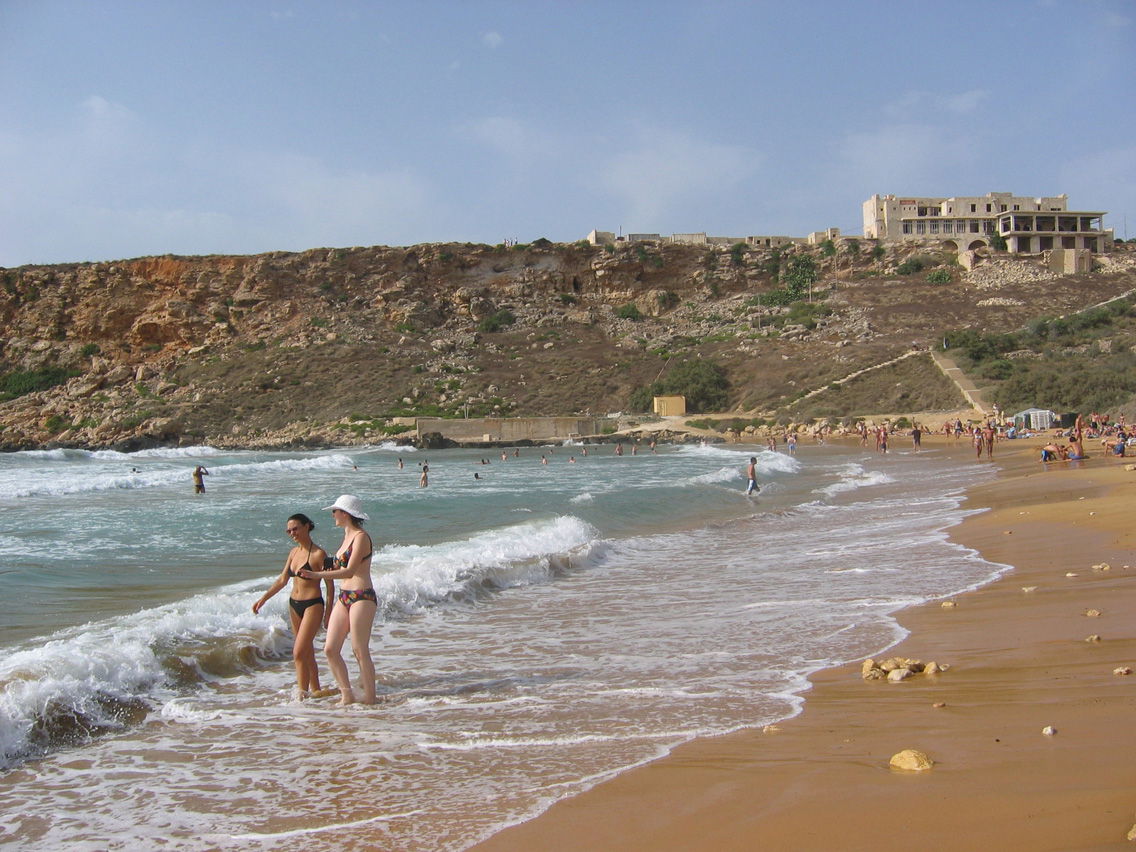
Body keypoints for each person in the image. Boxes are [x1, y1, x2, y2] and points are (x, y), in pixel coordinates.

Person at [300, 495, 378, 706]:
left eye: (335, 511)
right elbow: (342, 569)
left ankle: (371, 699)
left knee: (359, 649)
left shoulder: (361, 537)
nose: (333, 514)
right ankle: (347, 695)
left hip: (362, 595)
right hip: (345, 597)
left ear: (345, 513)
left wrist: (316, 576)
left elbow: (350, 571)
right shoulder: (346, 535)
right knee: (330, 649)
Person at [252, 514, 334, 698]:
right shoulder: (293, 553)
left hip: (313, 604)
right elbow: (283, 580)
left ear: (307, 526)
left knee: (298, 652)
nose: (292, 533)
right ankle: (317, 690)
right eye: (289, 530)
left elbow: (330, 584)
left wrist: (328, 613)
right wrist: (263, 598)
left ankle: (302, 695)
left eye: (295, 528)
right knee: (306, 650)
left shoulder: (319, 554)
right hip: (294, 604)